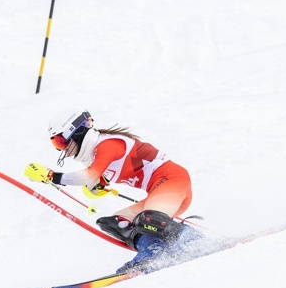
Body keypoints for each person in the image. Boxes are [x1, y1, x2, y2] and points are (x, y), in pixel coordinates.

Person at [24, 107, 203, 273]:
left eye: (61, 141)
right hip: (161, 192)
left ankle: (194, 240)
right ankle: (153, 250)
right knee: (115, 222)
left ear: (76, 131)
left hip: (173, 181)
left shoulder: (107, 145)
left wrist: (52, 176)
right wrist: (95, 188)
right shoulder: (93, 154)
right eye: (57, 144)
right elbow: (94, 182)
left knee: (147, 219)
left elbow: (89, 176)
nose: (63, 150)